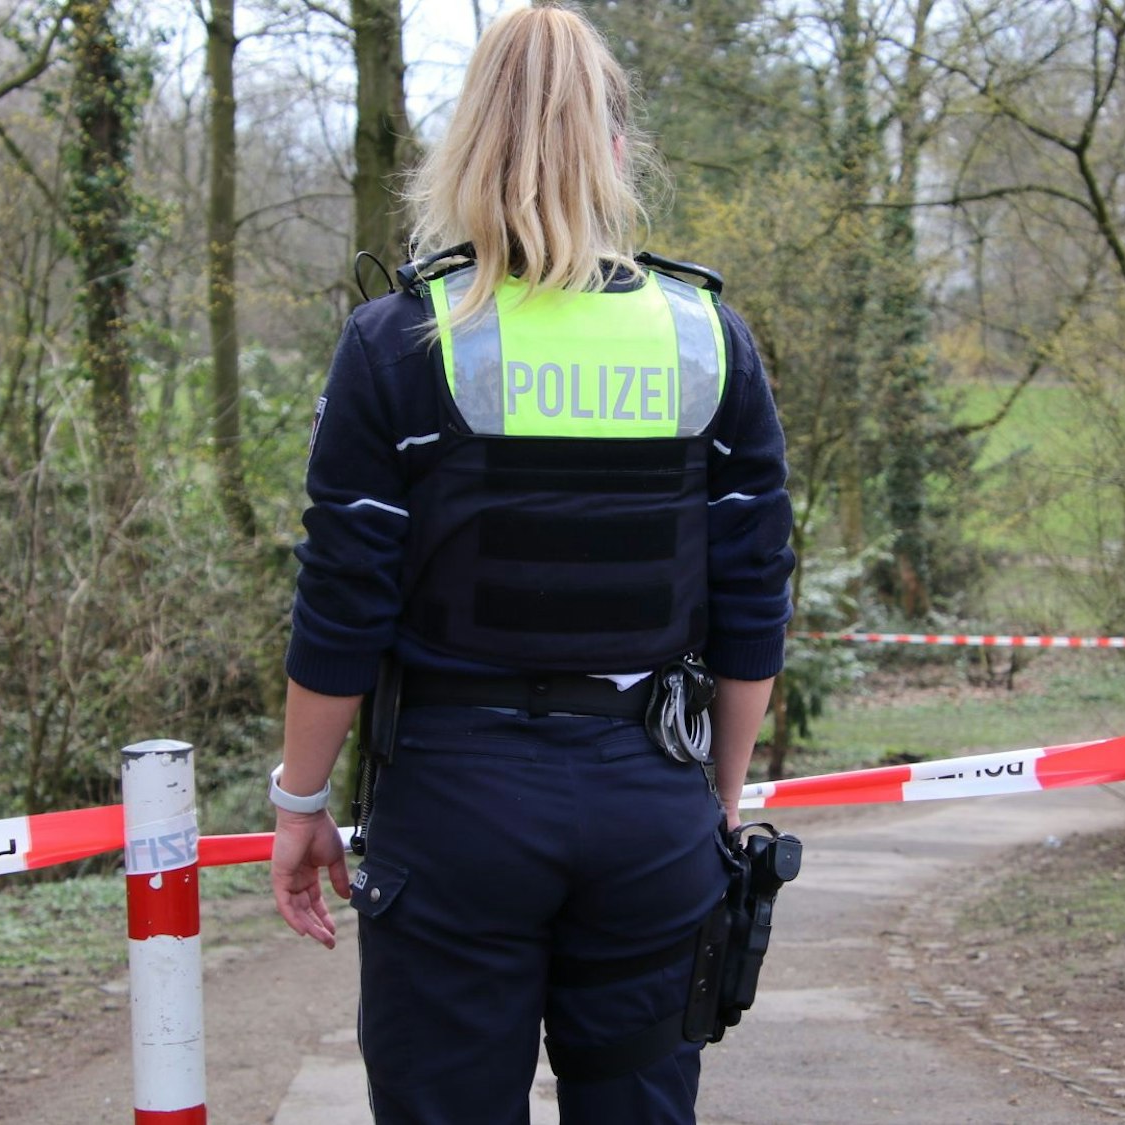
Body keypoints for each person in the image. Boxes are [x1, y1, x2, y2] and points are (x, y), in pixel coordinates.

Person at [267, 6, 795, 1123]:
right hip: (649, 790)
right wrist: (715, 803)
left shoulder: (400, 344)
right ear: (615, 149)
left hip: (455, 800)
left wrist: (300, 799)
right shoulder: (706, 339)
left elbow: (341, 605)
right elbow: (753, 603)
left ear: (468, 146)